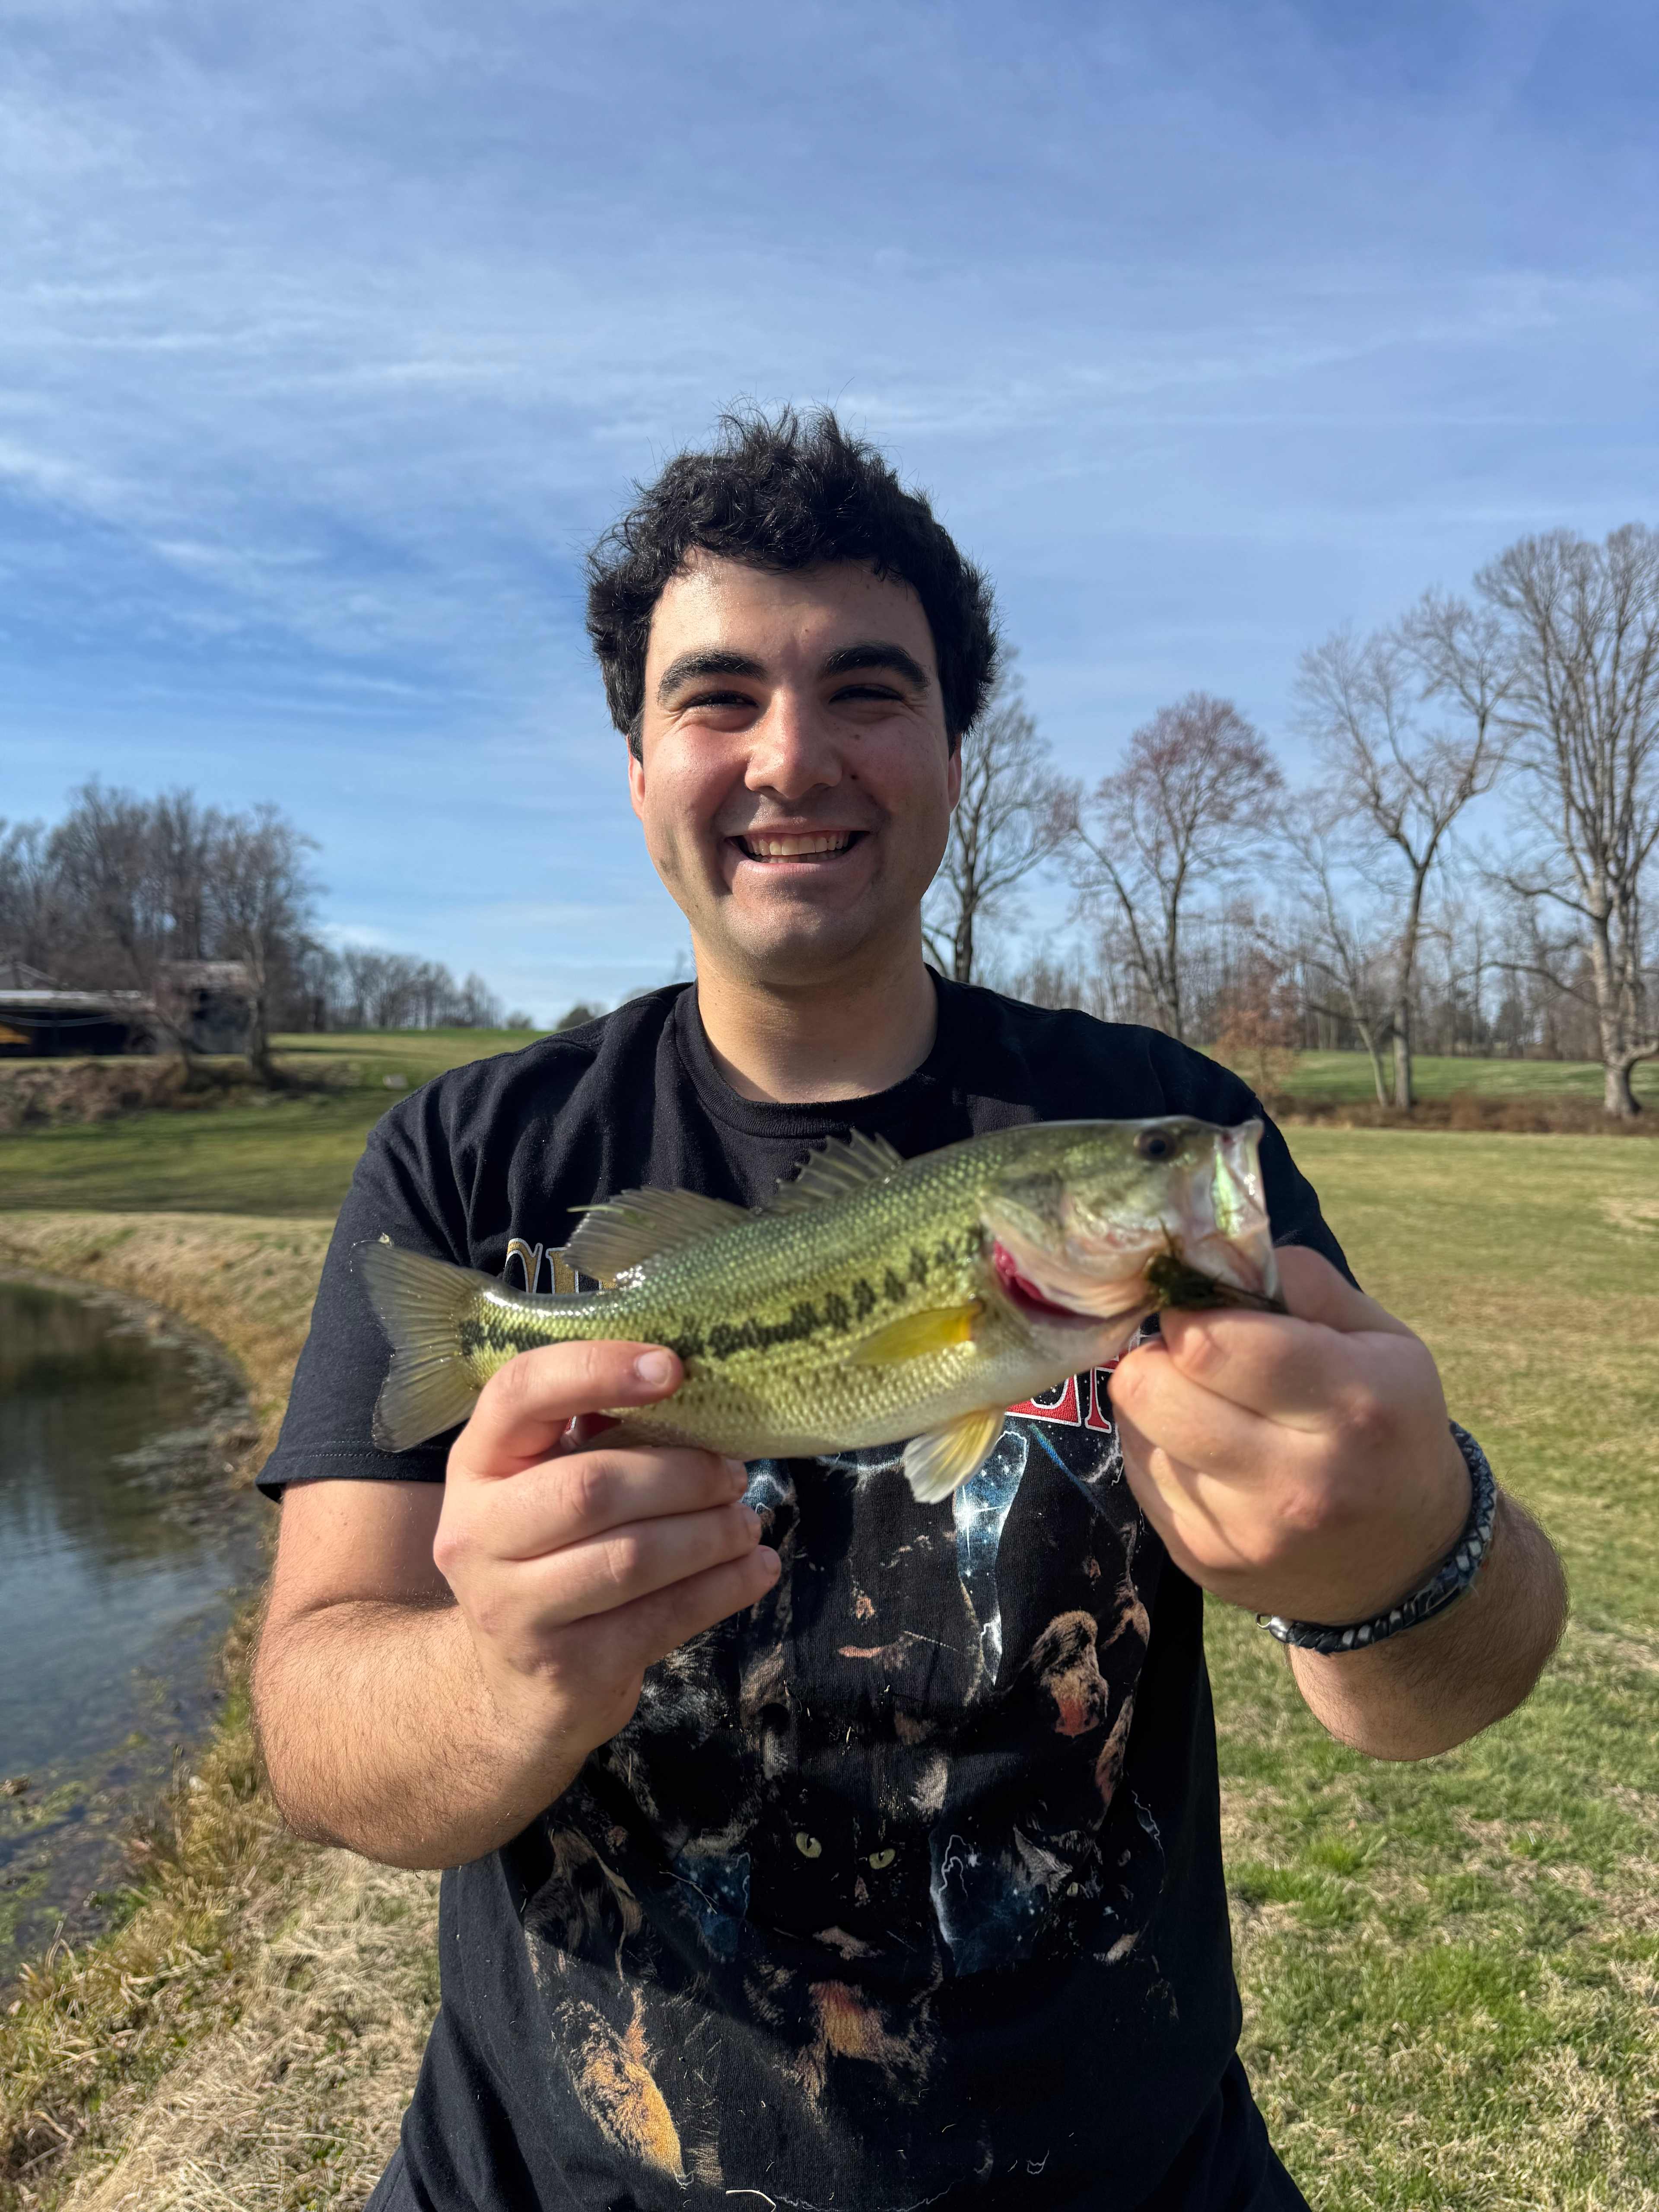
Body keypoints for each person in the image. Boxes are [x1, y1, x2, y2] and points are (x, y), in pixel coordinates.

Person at [252, 410, 1567, 2212]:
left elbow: (1452, 1689)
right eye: (716, 698)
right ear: (636, 765)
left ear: (954, 753)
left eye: (869, 689)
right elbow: (317, 1729)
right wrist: (499, 1670)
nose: (792, 756)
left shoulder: (1166, 1134)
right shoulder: (462, 1164)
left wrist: (1409, 1542)